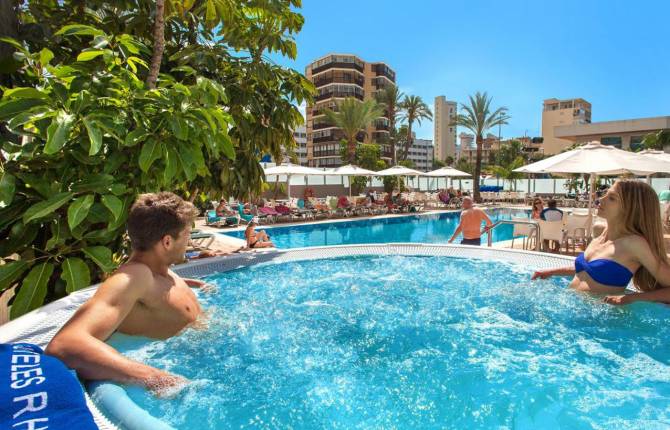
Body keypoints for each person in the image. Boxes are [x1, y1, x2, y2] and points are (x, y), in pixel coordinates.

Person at [46, 193, 210, 392]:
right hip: (187, 365)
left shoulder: (159, 270)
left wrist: (189, 284)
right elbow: (64, 344)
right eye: (187, 234)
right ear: (167, 242)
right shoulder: (136, 276)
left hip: (203, 352)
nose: (188, 241)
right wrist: (156, 378)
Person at [531, 180, 670, 304]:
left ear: (631, 208)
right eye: (605, 194)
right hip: (574, 308)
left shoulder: (634, 244)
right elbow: (589, 269)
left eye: (612, 198)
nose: (600, 199)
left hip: (603, 319)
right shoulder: (599, 232)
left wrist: (632, 298)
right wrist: (552, 271)